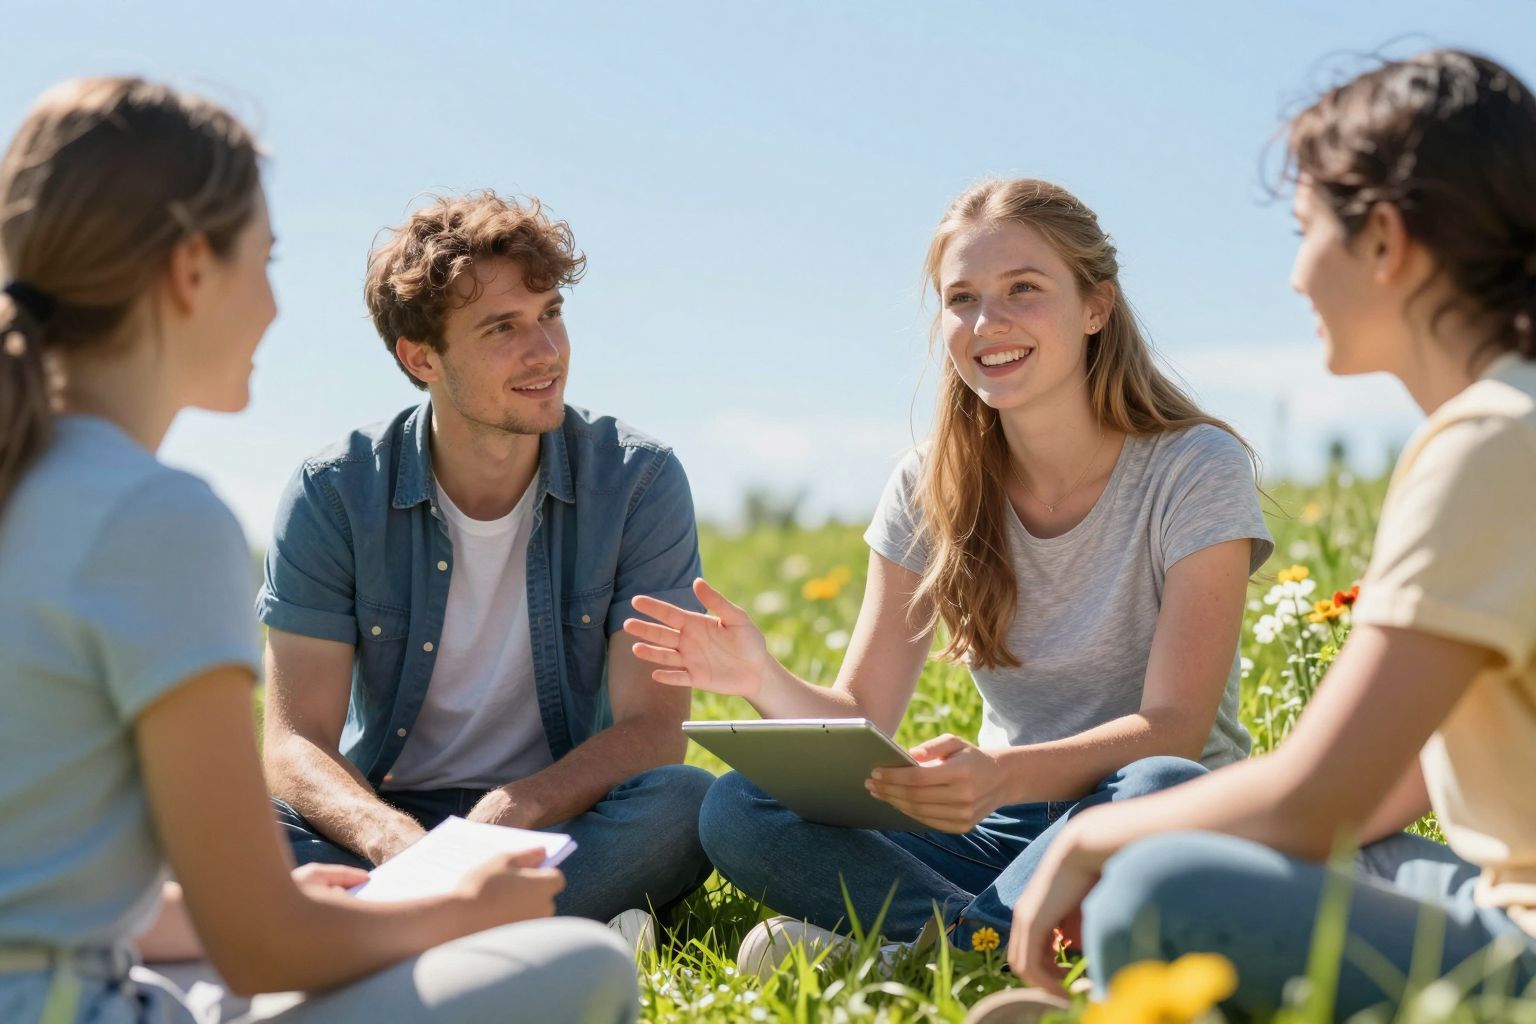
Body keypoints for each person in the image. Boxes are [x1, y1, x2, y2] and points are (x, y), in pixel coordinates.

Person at [0, 77, 637, 1024]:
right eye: (265, 259)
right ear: (190, 272)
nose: (273, 305)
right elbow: (260, 946)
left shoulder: (31, 479)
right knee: (586, 965)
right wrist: (454, 909)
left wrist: (276, 905)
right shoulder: (158, 519)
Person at [1006, 50, 1536, 1022]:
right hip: (1496, 896)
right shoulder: (1511, 425)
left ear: (1385, 240)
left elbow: (1312, 799)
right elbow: (1393, 779)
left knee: (1153, 888)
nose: (1294, 276)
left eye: (1305, 233)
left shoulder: (1489, 443)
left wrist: (1093, 839)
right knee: (1342, 853)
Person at [624, 177, 1273, 968]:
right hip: (996, 832)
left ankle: (926, 947)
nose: (987, 323)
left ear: (1096, 307)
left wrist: (1000, 774)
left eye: (1023, 289)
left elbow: (1175, 726)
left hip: (1142, 815)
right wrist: (761, 677)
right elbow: (863, 714)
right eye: (962, 298)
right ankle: (984, 940)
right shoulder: (925, 485)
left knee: (1164, 781)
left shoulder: (1194, 467)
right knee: (739, 807)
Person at [257, 190, 714, 936]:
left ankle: (396, 934)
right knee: (232, 819)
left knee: (686, 803)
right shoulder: (333, 493)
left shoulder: (639, 481)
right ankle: (537, 931)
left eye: (550, 314)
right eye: (504, 327)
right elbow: (294, 741)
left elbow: (654, 729)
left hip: (558, 817)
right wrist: (396, 842)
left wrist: (515, 808)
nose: (546, 351)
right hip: (385, 817)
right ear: (421, 357)